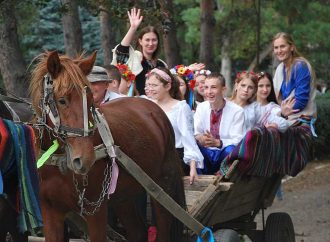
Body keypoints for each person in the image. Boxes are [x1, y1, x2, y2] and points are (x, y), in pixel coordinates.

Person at [145, 67, 203, 184]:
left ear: (167, 86)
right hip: (152, 155)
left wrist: (193, 167)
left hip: (173, 157)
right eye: (148, 85)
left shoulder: (180, 108)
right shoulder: (147, 105)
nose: (150, 89)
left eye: (154, 86)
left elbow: (188, 138)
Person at [194, 73, 245, 175]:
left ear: (223, 90)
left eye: (213, 87)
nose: (209, 92)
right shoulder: (201, 107)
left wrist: (218, 143)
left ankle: (222, 176)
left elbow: (238, 140)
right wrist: (201, 138)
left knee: (231, 150)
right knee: (194, 147)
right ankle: (200, 178)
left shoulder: (237, 111)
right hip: (206, 153)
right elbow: (196, 132)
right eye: (206, 88)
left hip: (223, 153)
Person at [112, 8, 167, 95]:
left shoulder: (161, 64)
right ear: (140, 41)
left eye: (154, 40)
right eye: (147, 40)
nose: (151, 43)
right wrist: (133, 28)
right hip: (137, 104)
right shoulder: (135, 59)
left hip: (157, 105)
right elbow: (121, 53)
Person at [272, 32, 317, 130]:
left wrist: (282, 113)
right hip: (285, 117)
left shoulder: (300, 66)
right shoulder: (280, 68)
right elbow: (274, 98)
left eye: (282, 46)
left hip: (300, 120)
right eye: (276, 47)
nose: (279, 51)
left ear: (291, 47)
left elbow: (300, 102)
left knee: (269, 131)